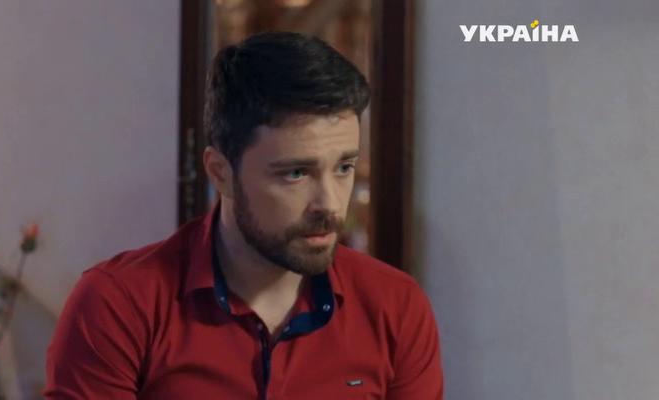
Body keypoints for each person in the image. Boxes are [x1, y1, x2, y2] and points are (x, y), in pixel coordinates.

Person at [45, 31, 443, 399]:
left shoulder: (395, 307)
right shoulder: (118, 306)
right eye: (296, 173)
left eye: (344, 167)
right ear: (221, 173)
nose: (330, 204)